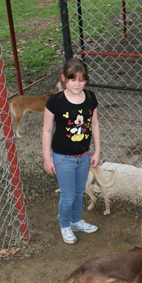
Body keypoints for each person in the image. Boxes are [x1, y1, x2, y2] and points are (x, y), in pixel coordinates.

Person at [43, 59, 101, 244]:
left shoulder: (91, 98)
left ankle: (76, 221)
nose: (78, 84)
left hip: (83, 155)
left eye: (82, 80)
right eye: (73, 79)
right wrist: (47, 158)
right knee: (67, 196)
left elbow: (95, 124)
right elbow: (46, 130)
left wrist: (97, 151)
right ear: (63, 79)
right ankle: (65, 225)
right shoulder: (55, 101)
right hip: (63, 158)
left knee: (78, 192)